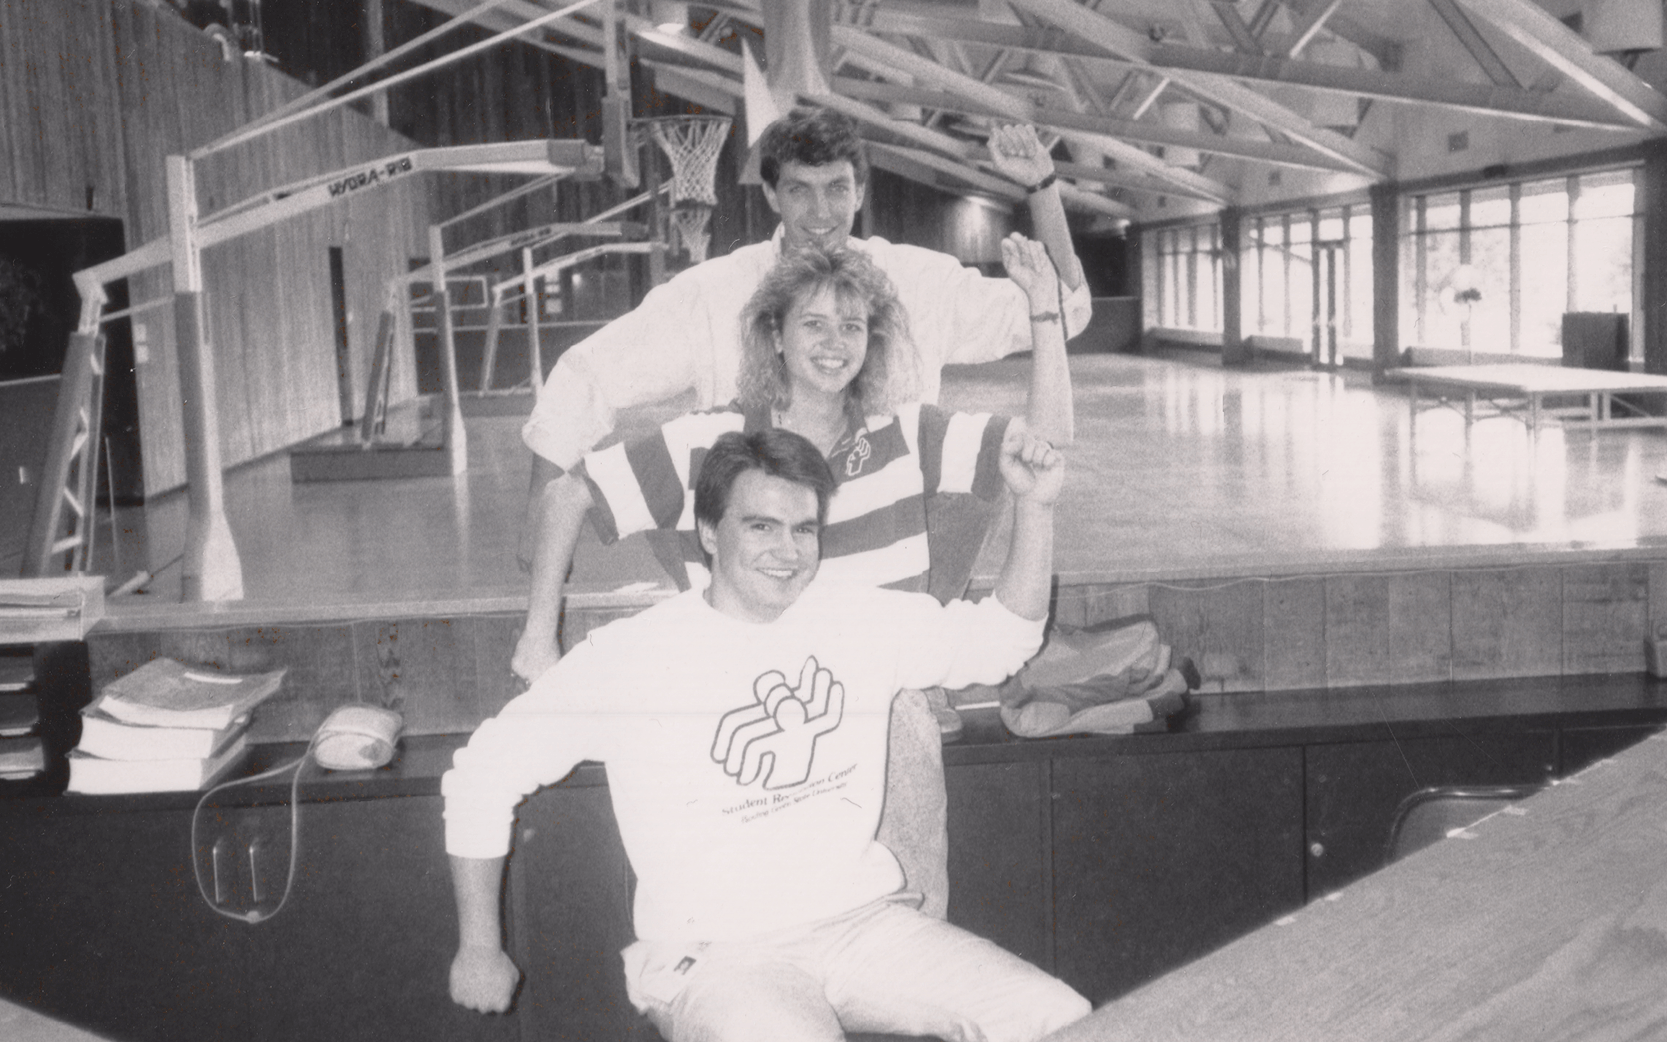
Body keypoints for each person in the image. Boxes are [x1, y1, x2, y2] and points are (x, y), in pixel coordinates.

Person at [445, 426, 1090, 1042]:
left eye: (804, 530)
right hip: (719, 958)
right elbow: (481, 775)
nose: (788, 552)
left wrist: (1036, 506)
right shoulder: (633, 656)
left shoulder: (858, 618)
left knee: (1064, 1018)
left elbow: (1005, 638)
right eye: (761, 527)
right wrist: (479, 946)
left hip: (864, 928)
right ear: (708, 533)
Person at [511, 234, 1067, 685]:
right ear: (775, 335)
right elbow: (568, 493)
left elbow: (1041, 450)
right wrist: (540, 634)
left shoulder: (909, 432)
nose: (835, 343)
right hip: (753, 710)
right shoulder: (710, 442)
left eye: (852, 326)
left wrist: (1044, 310)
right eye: (813, 324)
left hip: (883, 712)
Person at [518, 108, 1090, 542]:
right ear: (771, 193)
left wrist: (1042, 188)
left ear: (859, 191)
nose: (821, 214)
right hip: (762, 548)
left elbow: (1065, 310)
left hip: (892, 542)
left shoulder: (919, 282)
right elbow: (588, 373)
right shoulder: (713, 295)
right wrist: (534, 528)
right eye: (800, 190)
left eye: (837, 189)